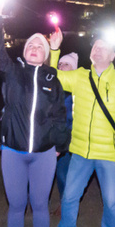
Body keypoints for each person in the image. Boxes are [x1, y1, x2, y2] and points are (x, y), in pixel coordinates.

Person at [0, 3, 69, 227]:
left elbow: (60, 115)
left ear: (45, 55)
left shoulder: (51, 79)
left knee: (39, 205)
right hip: (13, 152)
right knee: (16, 205)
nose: (35, 48)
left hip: (44, 154)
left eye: (40, 46)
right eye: (31, 45)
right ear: (25, 51)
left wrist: (59, 145)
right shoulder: (13, 73)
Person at [47, 30, 115, 227]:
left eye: (103, 47)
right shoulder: (80, 76)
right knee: (69, 195)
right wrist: (54, 50)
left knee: (111, 200)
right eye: (94, 46)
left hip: (110, 154)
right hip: (80, 152)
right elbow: (53, 77)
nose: (97, 49)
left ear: (112, 55)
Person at [53, 52, 79, 203]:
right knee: (54, 173)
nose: (61, 66)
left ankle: (66, 203)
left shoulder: (77, 88)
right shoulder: (51, 86)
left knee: (64, 173)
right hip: (52, 137)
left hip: (70, 137)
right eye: (60, 64)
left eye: (66, 64)